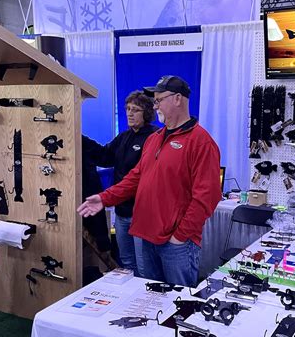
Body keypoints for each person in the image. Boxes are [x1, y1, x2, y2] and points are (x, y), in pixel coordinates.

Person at [77, 76, 222, 287]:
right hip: (145, 236)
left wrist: (180, 236)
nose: (155, 106)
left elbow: (207, 196)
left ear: (178, 99)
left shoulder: (201, 142)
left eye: (159, 100)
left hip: (176, 244)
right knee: (148, 296)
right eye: (154, 101)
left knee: (178, 299)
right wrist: (104, 198)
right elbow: (135, 177)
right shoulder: (154, 139)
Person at [82, 91, 158, 277]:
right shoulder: (124, 137)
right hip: (122, 212)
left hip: (142, 212)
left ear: (147, 112)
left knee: (144, 265)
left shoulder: (154, 137)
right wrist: (79, 138)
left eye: (135, 110)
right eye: (128, 109)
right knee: (127, 261)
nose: (130, 113)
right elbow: (104, 156)